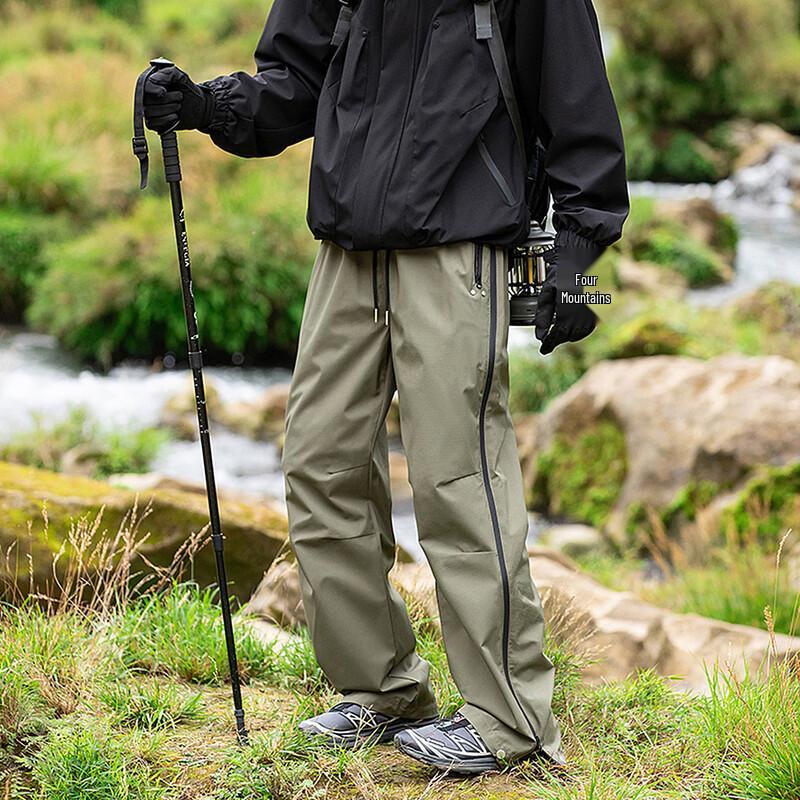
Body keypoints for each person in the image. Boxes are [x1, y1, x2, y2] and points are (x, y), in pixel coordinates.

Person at [143, 0, 628, 776]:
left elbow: (577, 103)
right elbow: (296, 80)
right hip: (347, 245)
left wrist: (576, 252)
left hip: (460, 244)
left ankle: (512, 722)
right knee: (319, 463)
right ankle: (383, 690)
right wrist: (205, 104)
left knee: (458, 479)